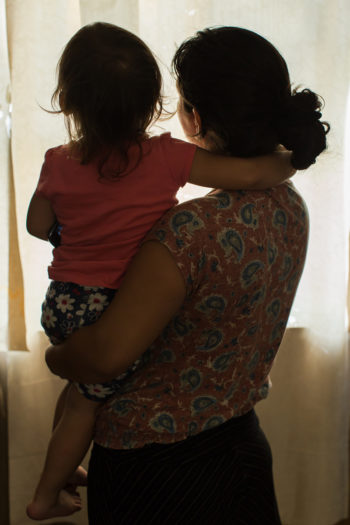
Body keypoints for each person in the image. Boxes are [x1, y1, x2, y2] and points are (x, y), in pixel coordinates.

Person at [44, 26, 329, 524]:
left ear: (194, 115)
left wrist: (55, 357)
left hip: (155, 473)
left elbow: (102, 358)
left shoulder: (189, 230)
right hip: (241, 451)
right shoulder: (291, 205)